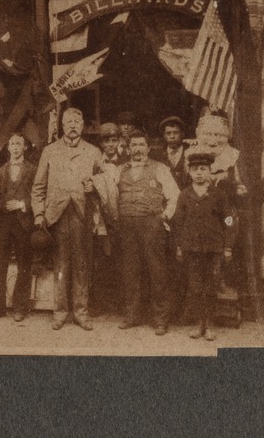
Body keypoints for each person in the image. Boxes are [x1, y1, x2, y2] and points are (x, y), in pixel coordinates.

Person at [95, 126, 180, 335]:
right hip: (127, 228)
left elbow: (175, 196)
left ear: (148, 148)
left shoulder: (160, 169)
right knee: (130, 271)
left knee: (157, 271)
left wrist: (165, 216)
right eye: (134, 145)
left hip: (152, 225)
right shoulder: (119, 171)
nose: (138, 149)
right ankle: (132, 315)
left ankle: (160, 319)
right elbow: (108, 195)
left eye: (142, 144)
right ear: (128, 148)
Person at [32, 107, 104, 331]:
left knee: (82, 265)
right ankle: (60, 312)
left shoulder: (93, 152)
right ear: (62, 126)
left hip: (82, 214)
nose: (73, 125)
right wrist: (39, 213)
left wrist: (95, 186)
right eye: (69, 121)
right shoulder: (50, 151)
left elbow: (104, 183)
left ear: (82, 126)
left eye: (77, 121)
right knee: (61, 264)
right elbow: (38, 187)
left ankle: (81, 313)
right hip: (58, 216)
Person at [172, 149, 237, 341]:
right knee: (195, 287)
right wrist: (179, 246)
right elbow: (179, 222)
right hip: (192, 249)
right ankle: (198, 324)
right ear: (189, 173)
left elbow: (228, 220)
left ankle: (209, 325)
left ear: (209, 171)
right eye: (195, 169)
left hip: (214, 249)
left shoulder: (218, 195)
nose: (199, 173)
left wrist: (227, 246)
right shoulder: (184, 195)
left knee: (211, 286)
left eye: (203, 168)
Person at [0, 134, 37, 322]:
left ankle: (19, 308)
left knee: (24, 265)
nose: (15, 147)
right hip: (3, 223)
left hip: (23, 222)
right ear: (8, 148)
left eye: (19, 144)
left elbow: (39, 194)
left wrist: (22, 204)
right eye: (12, 144)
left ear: (25, 147)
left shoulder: (33, 170)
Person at [90, 123, 123, 316]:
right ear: (101, 143)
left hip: (120, 217)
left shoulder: (125, 162)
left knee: (121, 260)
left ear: (119, 141)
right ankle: (98, 303)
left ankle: (119, 303)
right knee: (100, 261)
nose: (110, 144)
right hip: (100, 218)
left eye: (113, 140)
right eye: (106, 141)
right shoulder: (95, 163)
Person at [152, 116, 191, 189]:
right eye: (168, 133)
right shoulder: (157, 155)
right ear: (164, 135)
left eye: (176, 133)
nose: (172, 136)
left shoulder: (190, 151)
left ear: (182, 134)